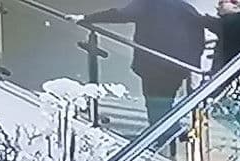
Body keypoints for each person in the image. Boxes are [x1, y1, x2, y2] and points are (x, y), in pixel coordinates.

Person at [66, 0, 206, 128]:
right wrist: (190, 66)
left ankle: (162, 135)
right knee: (165, 102)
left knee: (154, 104)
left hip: (153, 65)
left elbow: (121, 15)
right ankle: (168, 133)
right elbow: (199, 41)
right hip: (177, 67)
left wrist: (86, 18)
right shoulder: (187, 8)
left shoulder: (149, 3)